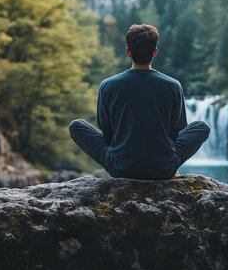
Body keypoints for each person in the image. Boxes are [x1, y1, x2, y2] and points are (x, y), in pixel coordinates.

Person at [68, 24, 210, 180]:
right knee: (201, 127)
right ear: (155, 52)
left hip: (120, 168)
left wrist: (119, 153)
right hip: (163, 169)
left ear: (128, 52)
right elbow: (175, 131)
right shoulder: (173, 85)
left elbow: (106, 130)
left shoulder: (108, 85)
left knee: (76, 126)